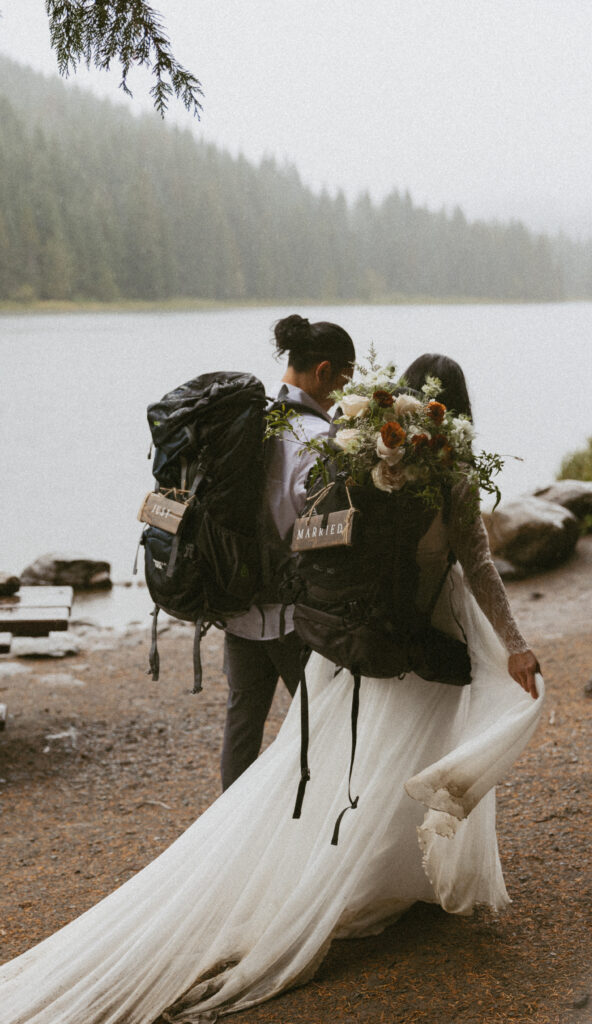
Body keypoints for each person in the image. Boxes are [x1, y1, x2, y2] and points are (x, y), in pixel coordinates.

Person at [0, 349, 544, 1023]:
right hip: (415, 632)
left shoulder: (349, 453)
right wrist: (515, 646)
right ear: (454, 411)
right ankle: (360, 876)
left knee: (322, 755)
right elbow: (476, 562)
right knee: (396, 753)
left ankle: (355, 868)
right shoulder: (441, 469)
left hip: (335, 633)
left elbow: (314, 538)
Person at [220, 314, 355, 790]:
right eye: (345, 380)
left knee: (241, 726)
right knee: (322, 727)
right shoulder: (317, 441)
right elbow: (316, 531)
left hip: (235, 602)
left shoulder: (246, 421)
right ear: (323, 372)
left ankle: (229, 838)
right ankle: (316, 837)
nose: (344, 393)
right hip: (292, 616)